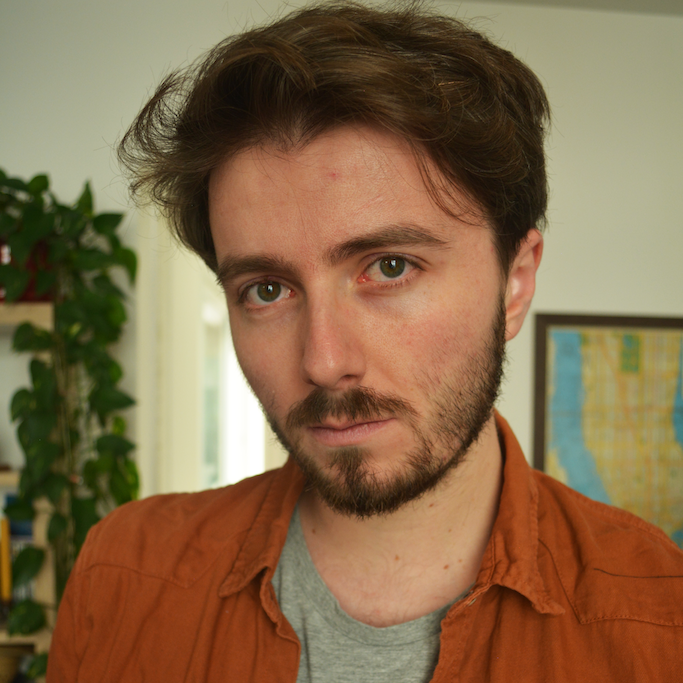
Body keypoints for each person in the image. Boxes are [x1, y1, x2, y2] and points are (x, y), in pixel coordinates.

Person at [47, 2, 683, 681]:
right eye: (266, 289)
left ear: (515, 283)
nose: (324, 362)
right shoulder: (123, 576)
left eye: (389, 267)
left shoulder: (660, 623)